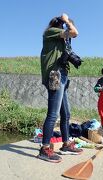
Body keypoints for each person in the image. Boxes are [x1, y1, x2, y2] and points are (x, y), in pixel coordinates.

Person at [38, 13, 83, 163]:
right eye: (65, 25)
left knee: (66, 114)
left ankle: (66, 144)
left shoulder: (60, 39)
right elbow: (75, 32)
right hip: (55, 75)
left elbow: (70, 38)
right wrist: (66, 20)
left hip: (62, 75)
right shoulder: (51, 32)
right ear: (61, 25)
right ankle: (44, 149)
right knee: (53, 114)